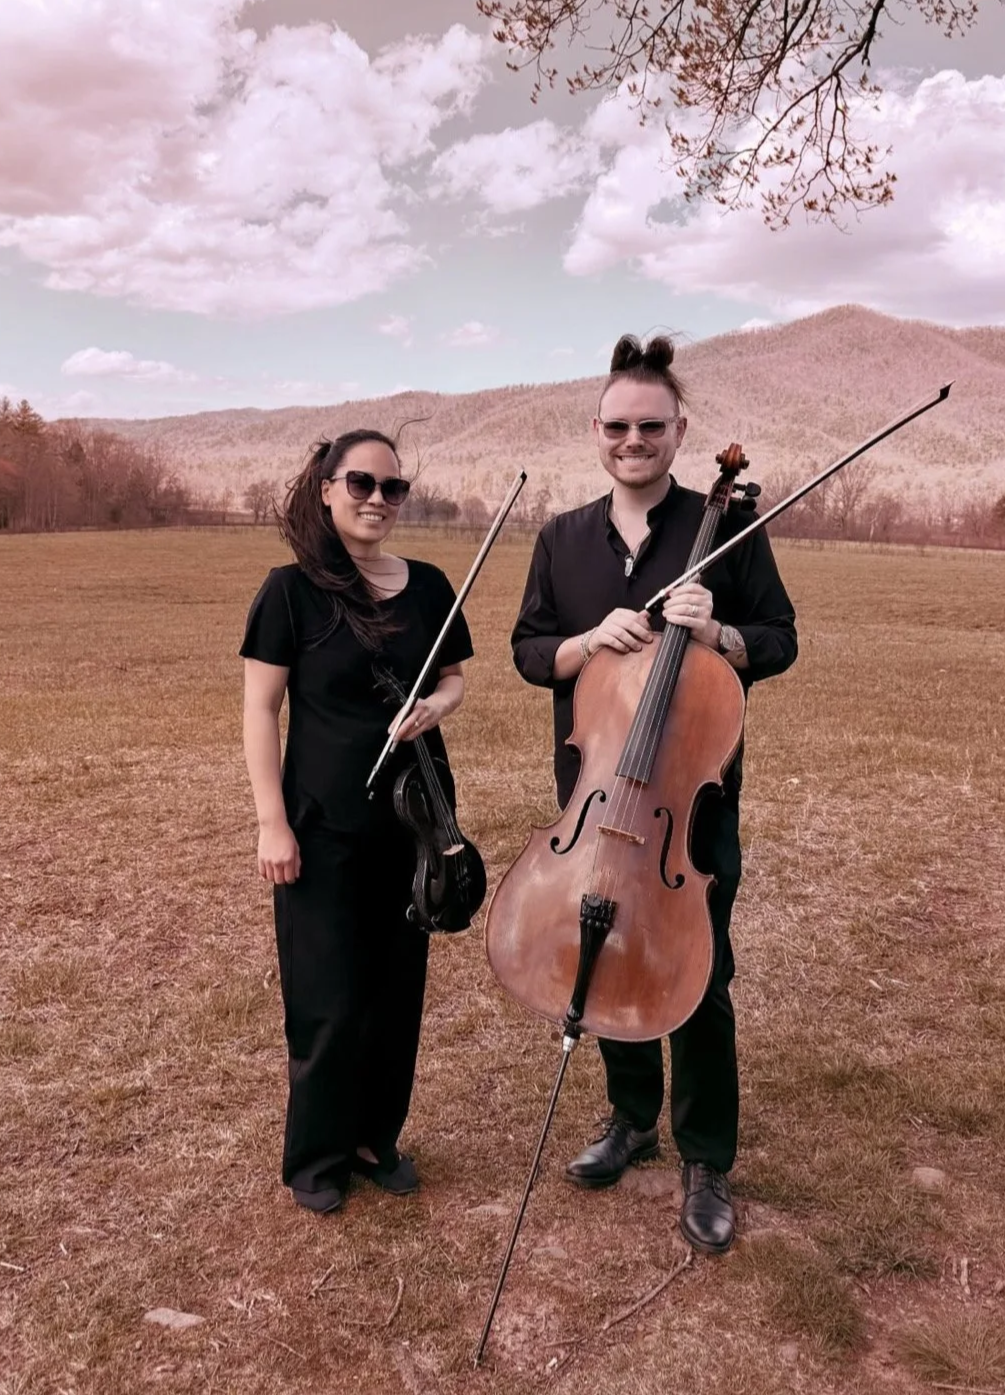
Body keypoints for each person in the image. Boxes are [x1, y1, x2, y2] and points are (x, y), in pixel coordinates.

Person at [510, 334, 797, 1253]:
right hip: (593, 802)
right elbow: (527, 653)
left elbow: (782, 640)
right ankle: (629, 1118)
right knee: (602, 960)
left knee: (696, 975)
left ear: (680, 432)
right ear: (596, 431)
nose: (633, 439)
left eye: (651, 426)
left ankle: (706, 1155)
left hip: (690, 810)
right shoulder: (561, 538)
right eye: (618, 426)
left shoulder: (727, 532)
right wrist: (588, 640)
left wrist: (722, 633)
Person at [240, 429, 473, 1216]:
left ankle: (378, 1139)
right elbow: (259, 710)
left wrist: (432, 708)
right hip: (322, 826)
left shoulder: (432, 585)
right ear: (328, 487)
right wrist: (272, 822)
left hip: (414, 823)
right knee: (327, 994)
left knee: (395, 989)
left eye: (393, 488)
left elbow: (454, 682)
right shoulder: (290, 591)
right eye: (362, 483)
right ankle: (318, 1155)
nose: (378, 500)